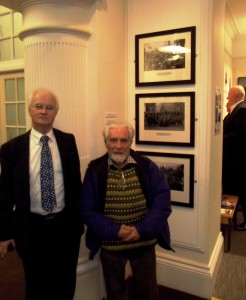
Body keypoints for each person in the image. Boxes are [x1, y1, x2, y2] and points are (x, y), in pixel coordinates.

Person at [0, 88, 84, 300]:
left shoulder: (68, 142)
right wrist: (4, 233)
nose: (44, 111)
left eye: (49, 107)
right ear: (30, 110)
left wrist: (79, 221)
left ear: (56, 112)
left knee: (65, 283)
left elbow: (75, 185)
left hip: (65, 226)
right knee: (36, 285)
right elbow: (4, 193)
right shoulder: (12, 148)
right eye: (39, 106)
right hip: (31, 227)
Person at [80, 122, 173, 300]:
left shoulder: (147, 166)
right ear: (106, 142)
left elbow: (163, 202)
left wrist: (141, 230)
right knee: (115, 292)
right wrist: (115, 231)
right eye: (113, 140)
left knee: (148, 291)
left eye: (124, 140)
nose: (118, 146)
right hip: (110, 244)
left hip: (143, 242)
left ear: (131, 142)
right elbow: (87, 209)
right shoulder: (95, 170)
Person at [222, 85, 246, 230]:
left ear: (236, 95)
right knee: (234, 190)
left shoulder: (241, 109)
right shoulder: (237, 109)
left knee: (237, 190)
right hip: (234, 160)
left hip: (237, 161)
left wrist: (221, 138)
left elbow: (243, 134)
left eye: (229, 94)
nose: (227, 97)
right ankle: (230, 219)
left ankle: (231, 221)